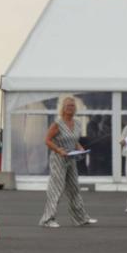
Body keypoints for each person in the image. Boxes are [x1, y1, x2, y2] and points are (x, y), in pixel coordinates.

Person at [39, 96, 98, 228]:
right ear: (63, 108)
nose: (70, 108)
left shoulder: (77, 123)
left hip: (71, 158)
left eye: (72, 105)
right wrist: (58, 150)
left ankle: (80, 218)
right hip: (58, 159)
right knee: (56, 188)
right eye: (68, 106)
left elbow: (74, 140)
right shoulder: (57, 123)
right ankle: (48, 219)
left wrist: (80, 148)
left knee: (74, 188)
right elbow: (47, 140)